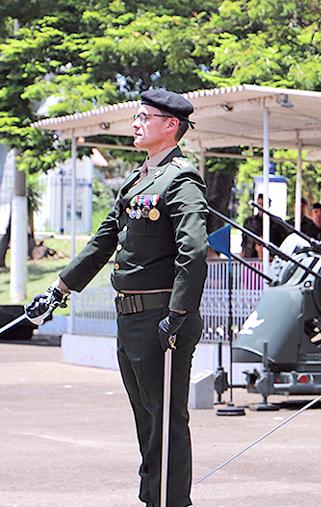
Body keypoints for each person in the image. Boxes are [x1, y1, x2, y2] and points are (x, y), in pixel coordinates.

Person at [26, 89, 208, 507]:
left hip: (162, 318)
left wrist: (179, 312)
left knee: (166, 421)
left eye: (145, 117)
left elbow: (194, 251)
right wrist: (58, 290)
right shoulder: (137, 180)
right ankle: (152, 498)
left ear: (170, 125)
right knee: (145, 418)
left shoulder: (180, 179)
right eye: (137, 116)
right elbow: (102, 241)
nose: (136, 123)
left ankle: (172, 502)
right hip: (130, 318)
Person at [242, 193, 285, 257]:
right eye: (259, 204)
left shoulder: (277, 222)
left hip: (271, 257)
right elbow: (244, 240)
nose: (261, 207)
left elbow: (281, 241)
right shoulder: (249, 221)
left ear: (269, 205)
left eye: (263, 204)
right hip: (251, 257)